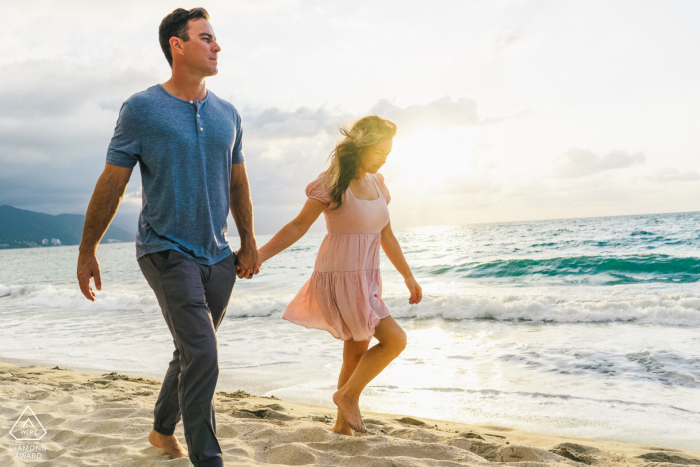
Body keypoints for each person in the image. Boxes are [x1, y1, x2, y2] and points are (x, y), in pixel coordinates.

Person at [76, 8, 258, 467]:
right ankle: (208, 459)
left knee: (191, 351)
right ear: (177, 45)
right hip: (164, 248)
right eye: (206, 37)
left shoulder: (228, 114)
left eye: (216, 38)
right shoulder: (142, 108)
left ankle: (161, 432)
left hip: (216, 255)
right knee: (203, 352)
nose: (217, 46)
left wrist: (249, 241)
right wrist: (87, 249)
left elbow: (238, 183)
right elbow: (112, 182)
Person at [256, 116, 422, 435]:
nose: (385, 158)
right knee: (395, 340)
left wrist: (408, 276)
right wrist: (260, 255)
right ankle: (347, 396)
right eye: (379, 151)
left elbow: (387, 237)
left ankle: (340, 427)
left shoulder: (378, 184)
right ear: (360, 147)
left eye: (388, 152)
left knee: (356, 352)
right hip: (340, 277)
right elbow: (298, 225)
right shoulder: (333, 183)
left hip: (366, 277)